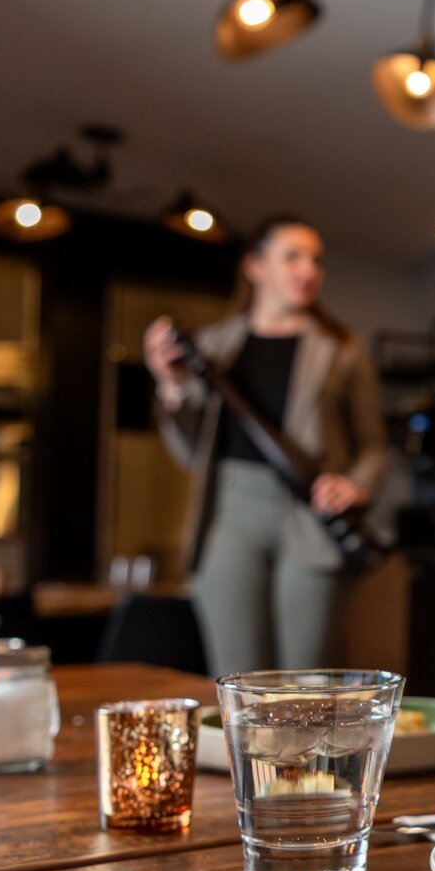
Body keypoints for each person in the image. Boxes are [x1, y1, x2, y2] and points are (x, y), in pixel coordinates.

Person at [144, 214, 388, 676]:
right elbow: (191, 454)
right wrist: (171, 387)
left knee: (310, 681)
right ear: (255, 266)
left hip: (311, 516)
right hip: (230, 516)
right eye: (292, 256)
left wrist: (355, 486)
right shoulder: (214, 348)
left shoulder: (343, 349)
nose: (308, 270)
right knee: (239, 680)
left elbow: (374, 446)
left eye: (316, 260)